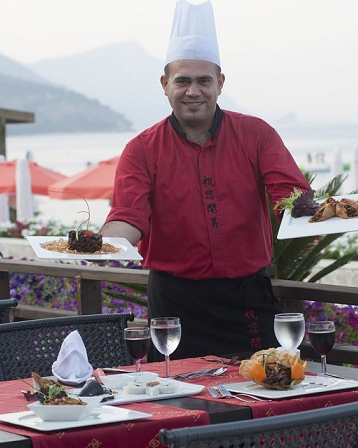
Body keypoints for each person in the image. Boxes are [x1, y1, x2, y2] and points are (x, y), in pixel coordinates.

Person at [101, 0, 310, 360]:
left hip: (248, 298)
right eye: (182, 81)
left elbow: (289, 197)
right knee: (176, 390)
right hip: (175, 304)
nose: (193, 91)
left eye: (203, 81)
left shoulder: (257, 134)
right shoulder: (141, 149)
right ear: (165, 84)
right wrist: (99, 244)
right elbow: (128, 216)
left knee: (266, 385)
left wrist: (312, 212)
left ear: (220, 83)